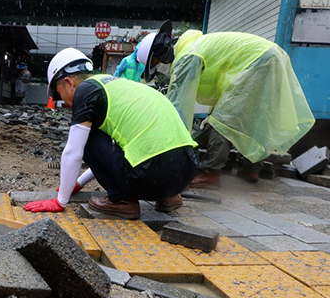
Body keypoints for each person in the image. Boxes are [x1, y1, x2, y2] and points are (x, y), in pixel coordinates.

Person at [24, 48, 198, 219]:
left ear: (69, 82)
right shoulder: (120, 85)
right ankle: (168, 197)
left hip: (150, 176)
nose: (64, 103)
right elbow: (110, 154)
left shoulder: (86, 90)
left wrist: (60, 201)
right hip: (186, 172)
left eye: (59, 95)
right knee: (122, 142)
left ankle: (122, 201)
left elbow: (74, 151)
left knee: (87, 136)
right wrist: (78, 183)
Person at [140, 22, 315, 188]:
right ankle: (251, 168)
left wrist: (169, 146)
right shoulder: (193, 46)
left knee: (223, 119)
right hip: (272, 55)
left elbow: (178, 106)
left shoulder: (187, 56)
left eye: (155, 62)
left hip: (258, 60)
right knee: (255, 115)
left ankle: (210, 172)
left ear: (161, 52)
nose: (159, 67)